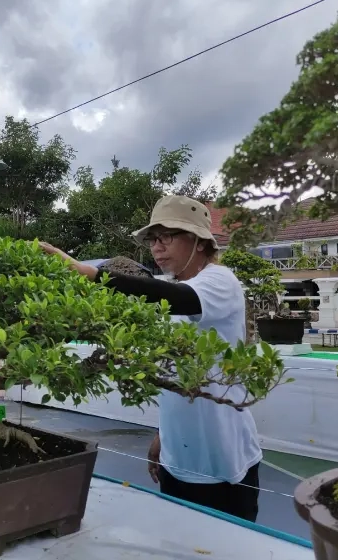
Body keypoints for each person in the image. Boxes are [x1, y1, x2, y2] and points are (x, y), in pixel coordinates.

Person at [39, 195, 261, 522]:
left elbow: (175, 297)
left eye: (166, 236)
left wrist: (92, 274)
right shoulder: (170, 287)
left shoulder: (218, 281)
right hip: (177, 458)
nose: (156, 247)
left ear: (200, 242)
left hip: (224, 462)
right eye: (152, 239)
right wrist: (163, 434)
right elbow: (172, 371)